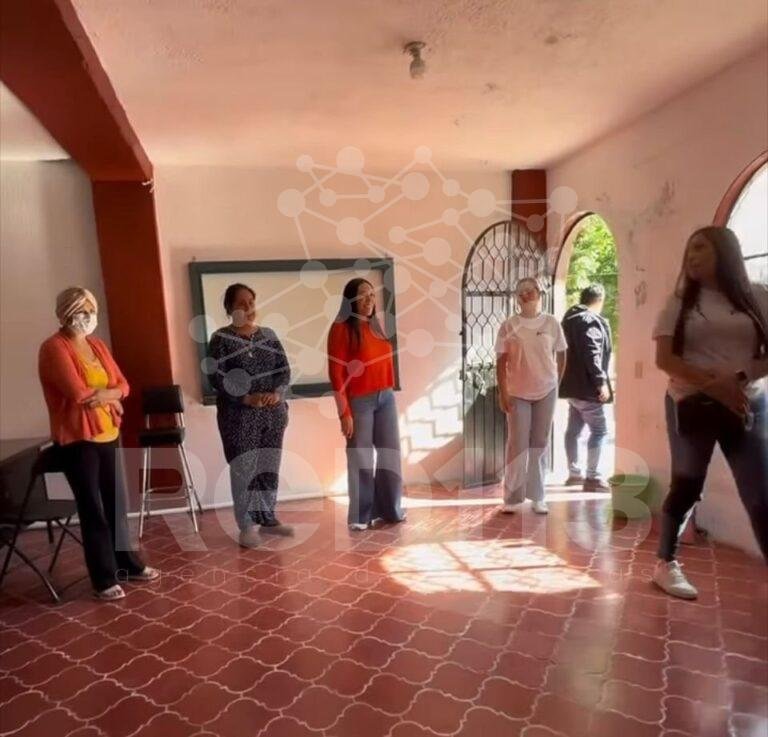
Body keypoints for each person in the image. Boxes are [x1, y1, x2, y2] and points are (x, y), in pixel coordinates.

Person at [653, 226, 768, 599]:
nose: (692, 255)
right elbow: (665, 359)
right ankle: (666, 564)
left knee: (760, 491)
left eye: (701, 247)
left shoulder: (758, 297)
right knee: (688, 486)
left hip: (746, 404)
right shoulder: (680, 301)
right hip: (690, 403)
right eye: (690, 248)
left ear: (725, 252)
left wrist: (738, 379)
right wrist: (714, 385)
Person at [38, 287, 159, 601]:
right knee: (93, 509)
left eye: (92, 311)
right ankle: (103, 578)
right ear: (66, 314)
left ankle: (128, 564)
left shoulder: (97, 345)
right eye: (83, 311)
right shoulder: (53, 348)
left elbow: (124, 385)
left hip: (108, 433)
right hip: (79, 441)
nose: (89, 317)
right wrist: (112, 395)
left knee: (116, 504)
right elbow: (77, 393)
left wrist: (108, 395)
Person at [207, 284, 293, 548]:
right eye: (241, 303)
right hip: (239, 417)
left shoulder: (268, 335)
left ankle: (267, 519)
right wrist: (246, 398)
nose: (248, 308)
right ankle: (246, 526)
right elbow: (217, 377)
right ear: (229, 308)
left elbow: (284, 370)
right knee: (244, 469)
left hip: (272, 414)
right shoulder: (221, 339)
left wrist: (277, 393)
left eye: (251, 302)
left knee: (268, 466)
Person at [327, 278, 405, 531]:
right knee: (360, 457)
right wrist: (344, 412)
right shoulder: (341, 328)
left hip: (386, 397)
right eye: (363, 294)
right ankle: (360, 516)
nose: (369, 299)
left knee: (390, 454)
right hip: (360, 401)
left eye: (372, 294)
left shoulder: (375, 325)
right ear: (350, 299)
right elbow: (336, 374)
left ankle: (391, 510)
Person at [496, 277, 567, 514]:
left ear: (539, 293)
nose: (526, 294)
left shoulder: (551, 323)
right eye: (521, 292)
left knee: (540, 443)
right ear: (517, 298)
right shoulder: (509, 325)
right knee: (517, 443)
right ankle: (512, 497)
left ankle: (538, 495)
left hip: (546, 390)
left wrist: (556, 381)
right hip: (517, 392)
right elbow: (501, 361)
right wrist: (503, 392)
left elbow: (562, 353)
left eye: (530, 290)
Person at [559, 284, 613, 491]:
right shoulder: (590, 321)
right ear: (599, 300)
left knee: (573, 431)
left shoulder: (568, 320)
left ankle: (574, 474)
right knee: (599, 431)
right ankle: (592, 477)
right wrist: (600, 382)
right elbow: (593, 352)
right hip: (587, 388)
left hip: (571, 387)